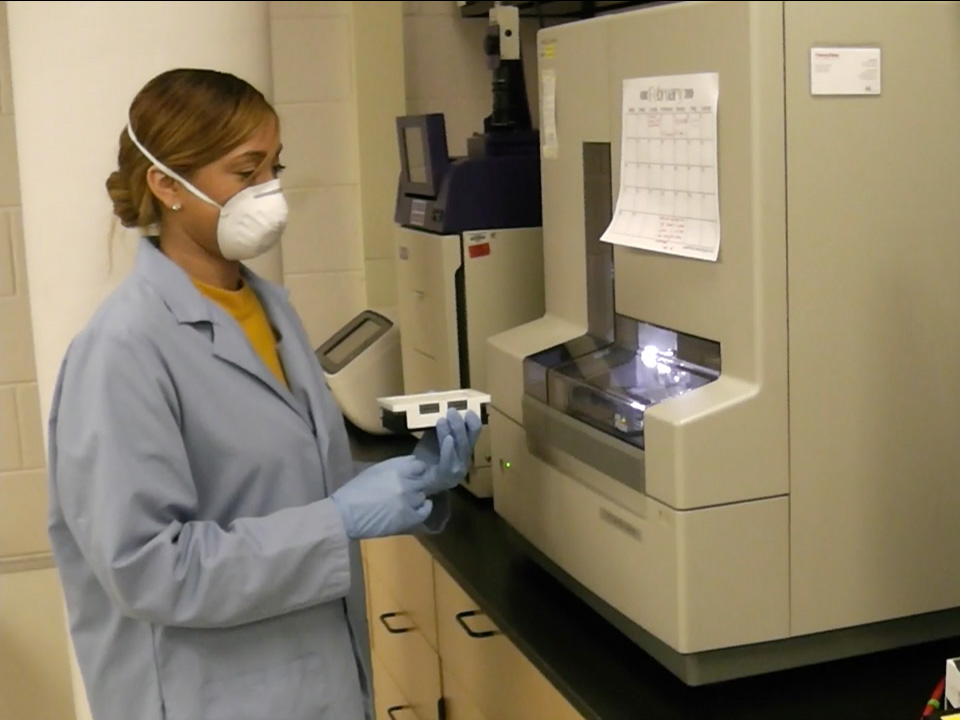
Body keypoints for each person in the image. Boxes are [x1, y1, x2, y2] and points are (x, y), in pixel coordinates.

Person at [46, 68, 482, 720]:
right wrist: (339, 520)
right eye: (245, 173)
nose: (269, 193)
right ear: (166, 184)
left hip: (315, 679)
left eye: (274, 168)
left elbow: (273, 476)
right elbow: (148, 569)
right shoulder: (124, 350)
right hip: (208, 697)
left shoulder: (265, 306)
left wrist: (405, 480)